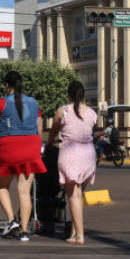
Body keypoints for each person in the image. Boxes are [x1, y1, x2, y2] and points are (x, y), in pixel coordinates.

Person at [0, 70, 46, 242]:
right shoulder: (34, 102)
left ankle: (11, 221)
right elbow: (39, 128)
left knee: (1, 186)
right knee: (24, 192)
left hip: (10, 146)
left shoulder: (2, 102)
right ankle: (24, 232)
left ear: (6, 85)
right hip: (31, 146)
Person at [47, 80, 97, 245]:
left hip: (70, 154)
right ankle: (75, 232)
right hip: (88, 155)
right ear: (83, 95)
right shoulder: (91, 112)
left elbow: (54, 131)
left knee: (73, 196)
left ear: (68, 94)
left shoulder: (63, 111)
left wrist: (49, 143)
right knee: (78, 196)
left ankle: (80, 235)